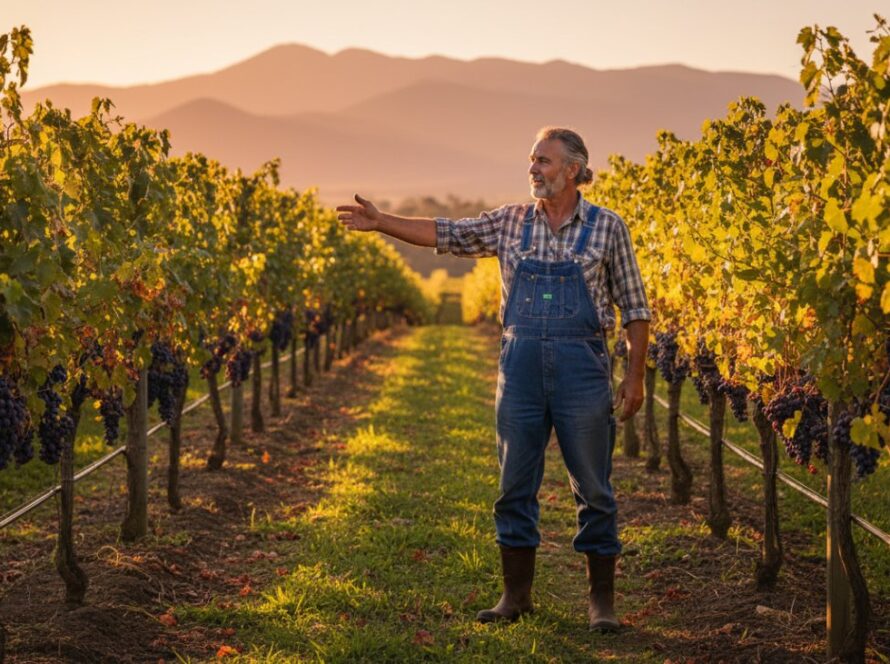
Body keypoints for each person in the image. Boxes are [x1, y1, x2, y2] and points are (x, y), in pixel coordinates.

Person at [336, 127, 650, 631]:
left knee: (594, 489)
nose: (533, 169)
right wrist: (382, 223)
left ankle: (601, 604)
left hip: (582, 370)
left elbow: (635, 308)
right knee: (513, 486)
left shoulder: (608, 227)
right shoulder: (509, 222)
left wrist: (634, 379)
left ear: (573, 170)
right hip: (520, 369)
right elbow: (445, 233)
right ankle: (516, 596)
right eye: (531, 160)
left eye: (543, 161)